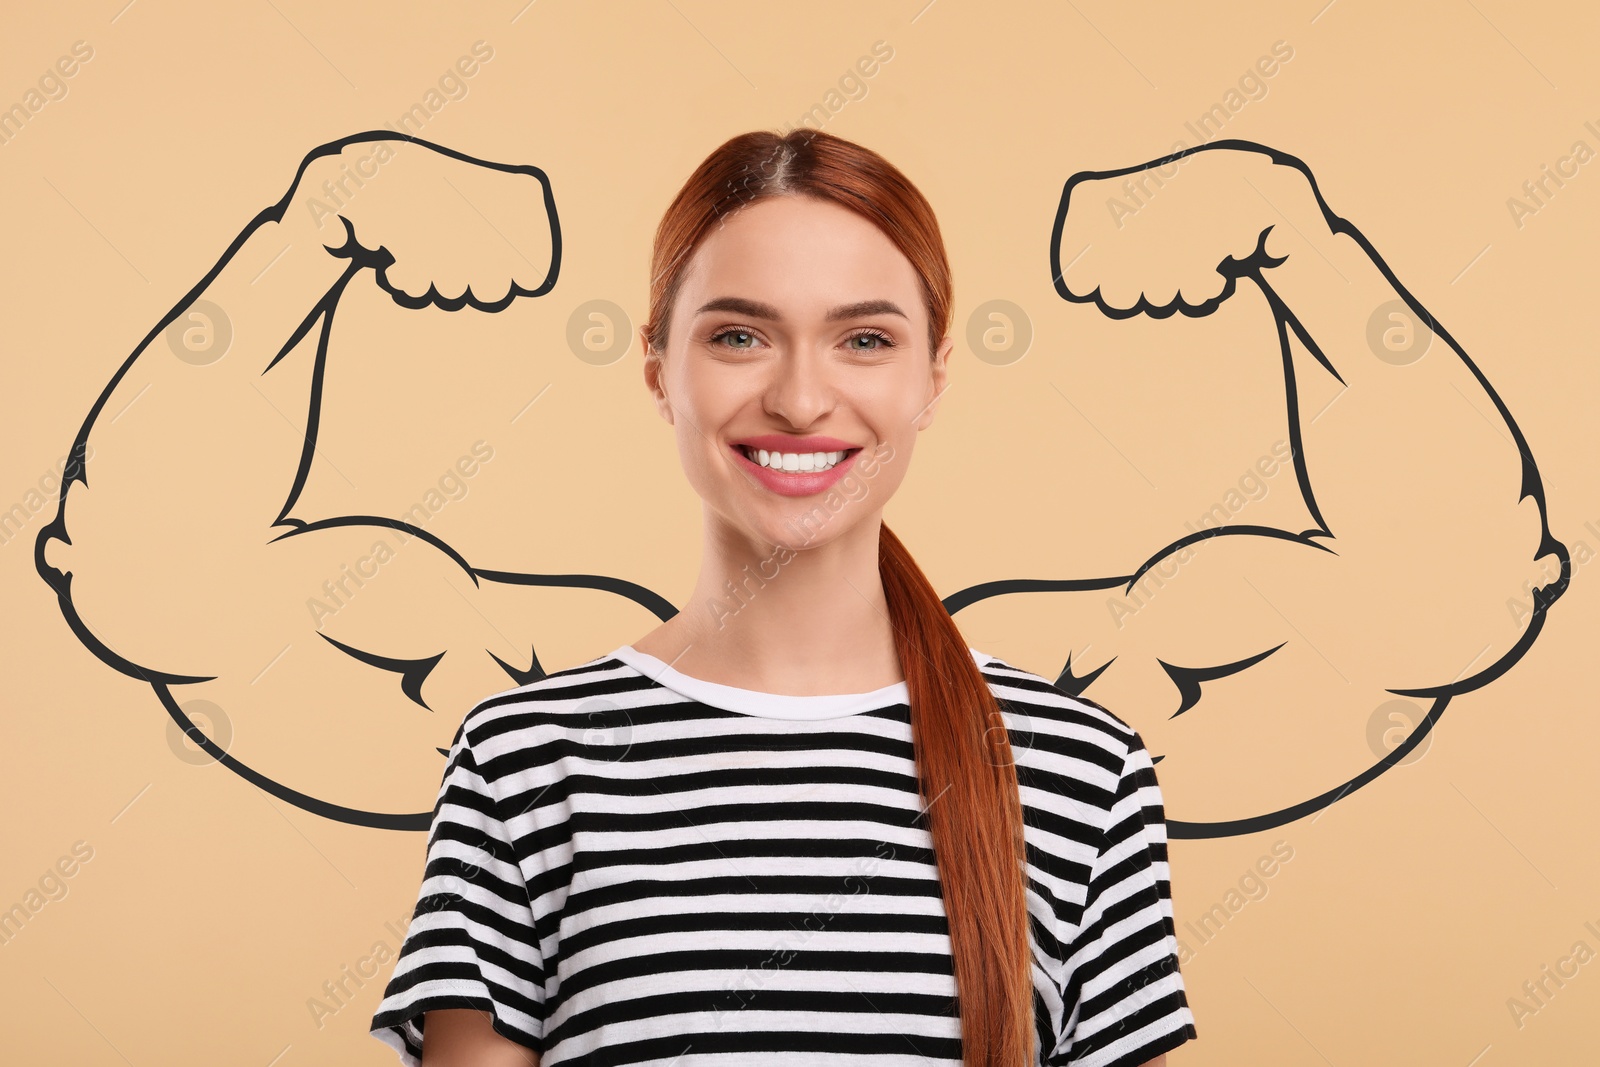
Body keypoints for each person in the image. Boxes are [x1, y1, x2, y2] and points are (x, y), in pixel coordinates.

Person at [369, 128, 1197, 1067]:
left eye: (865, 340)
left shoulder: (1082, 771)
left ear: (930, 377)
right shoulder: (523, 764)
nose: (802, 400)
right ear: (658, 372)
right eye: (738, 336)